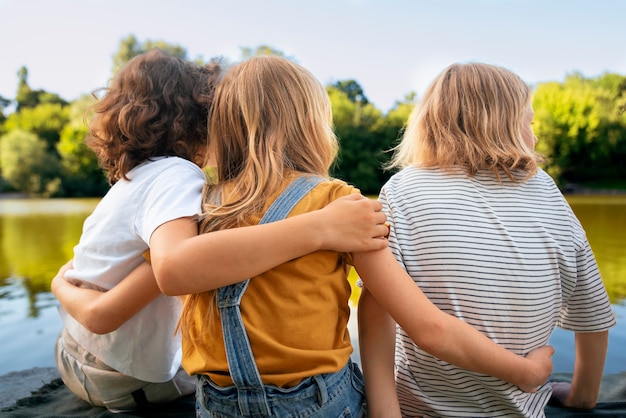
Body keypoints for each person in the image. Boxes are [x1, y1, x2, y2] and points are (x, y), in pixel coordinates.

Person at [151, 55, 554, 418]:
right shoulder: (338, 203)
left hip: (215, 405)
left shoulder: (198, 205)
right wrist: (523, 370)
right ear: (312, 126)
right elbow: (428, 326)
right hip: (318, 404)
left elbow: (170, 271)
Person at [51, 49, 390, 413]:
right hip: (117, 374)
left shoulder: (145, 183)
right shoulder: (179, 183)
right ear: (200, 119)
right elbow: (173, 269)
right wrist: (319, 227)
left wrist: (59, 285)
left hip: (79, 351)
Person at [358, 62, 617, 417]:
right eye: (530, 122)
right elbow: (592, 314)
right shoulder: (545, 190)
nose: (535, 136)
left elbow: (377, 307)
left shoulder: (403, 189)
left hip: (420, 410)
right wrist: (582, 396)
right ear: (503, 123)